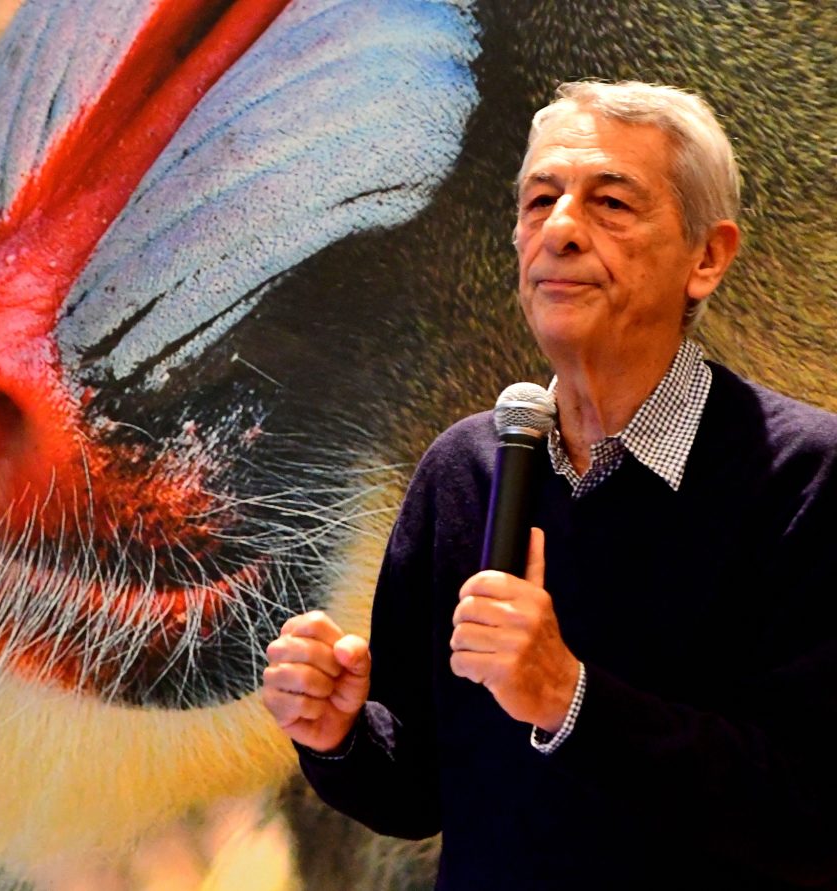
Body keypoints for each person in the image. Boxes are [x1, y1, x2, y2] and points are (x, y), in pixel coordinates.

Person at [261, 80, 837, 889]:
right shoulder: (466, 469)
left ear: (707, 257)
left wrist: (571, 699)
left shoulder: (808, 474)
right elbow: (420, 788)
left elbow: (812, 812)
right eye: (539, 201)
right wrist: (339, 733)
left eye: (610, 202)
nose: (560, 231)